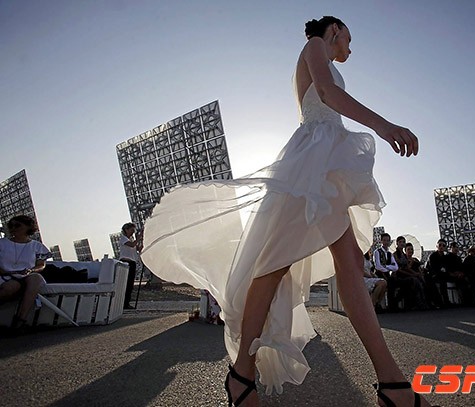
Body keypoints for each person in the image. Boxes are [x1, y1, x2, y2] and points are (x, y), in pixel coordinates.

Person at [141, 16, 433, 407]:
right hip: (312, 161)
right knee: (276, 265)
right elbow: (326, 93)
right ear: (334, 30)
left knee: (344, 261)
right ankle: (243, 375)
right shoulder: (315, 45)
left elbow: (327, 95)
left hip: (324, 158)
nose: (350, 48)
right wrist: (383, 125)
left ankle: (389, 384)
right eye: (348, 38)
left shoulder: (321, 55)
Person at [0, 215, 51, 332]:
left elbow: (41, 265)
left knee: (36, 278)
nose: (13, 228)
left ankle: (20, 320)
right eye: (11, 226)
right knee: (12, 286)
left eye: (17, 225)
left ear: (28, 227)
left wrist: (31, 270)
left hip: (26, 276)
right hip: (4, 276)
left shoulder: (37, 246)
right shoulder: (2, 243)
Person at [393, 237, 428, 310]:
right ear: (397, 243)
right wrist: (412, 274)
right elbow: (399, 269)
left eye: (403, 242)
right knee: (414, 280)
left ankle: (424, 301)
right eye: (400, 242)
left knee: (420, 279)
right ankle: (419, 302)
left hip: (406, 275)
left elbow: (407, 268)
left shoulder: (404, 255)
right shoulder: (395, 255)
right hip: (399, 276)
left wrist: (416, 273)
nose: (402, 243)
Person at [119, 222, 142, 309]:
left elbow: (138, 248)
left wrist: (141, 242)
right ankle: (123, 303)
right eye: (132, 230)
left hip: (132, 262)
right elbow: (132, 245)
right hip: (125, 262)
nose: (133, 232)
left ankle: (126, 302)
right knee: (126, 283)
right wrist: (138, 238)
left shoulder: (131, 240)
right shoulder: (123, 239)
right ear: (126, 230)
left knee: (130, 284)